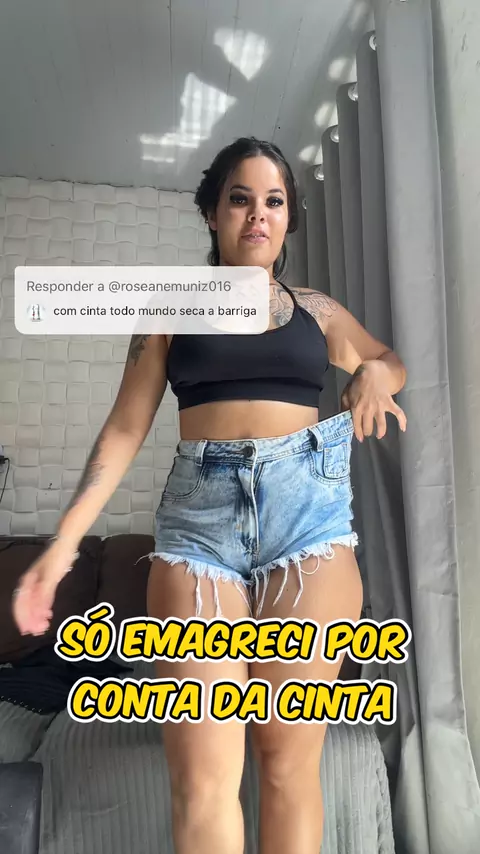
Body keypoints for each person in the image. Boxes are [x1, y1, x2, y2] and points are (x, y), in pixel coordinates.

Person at [12, 136, 407, 854]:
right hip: (200, 530)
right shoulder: (169, 307)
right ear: (212, 214)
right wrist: (63, 545)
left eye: (274, 201)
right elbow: (125, 427)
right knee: (201, 781)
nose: (258, 214)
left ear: (288, 219)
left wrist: (377, 373)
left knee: (287, 764)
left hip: (309, 526)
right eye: (240, 198)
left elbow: (386, 360)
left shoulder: (317, 310)